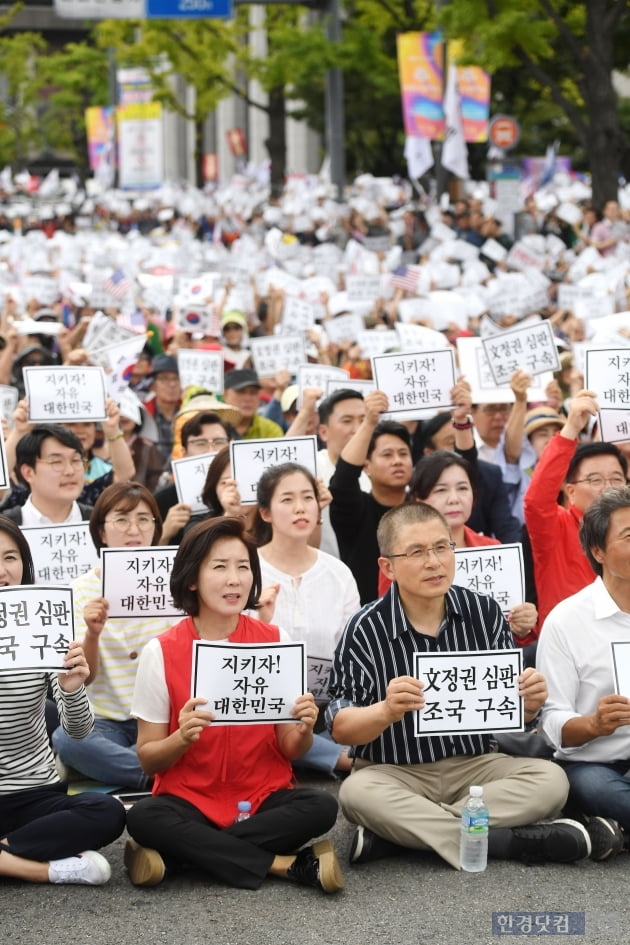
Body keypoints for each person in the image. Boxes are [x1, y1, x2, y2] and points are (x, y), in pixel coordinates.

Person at [326, 502, 617, 870]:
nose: (434, 562)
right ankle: (508, 841)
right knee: (356, 793)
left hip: (477, 767)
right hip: (394, 770)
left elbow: (513, 714)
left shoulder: (485, 612)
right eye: (416, 552)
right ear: (388, 566)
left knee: (551, 780)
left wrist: (527, 703)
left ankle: (400, 835)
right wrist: (385, 711)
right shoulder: (364, 628)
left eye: (442, 547)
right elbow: (339, 726)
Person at [124, 517, 344, 893]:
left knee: (321, 807)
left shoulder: (275, 639)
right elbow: (148, 758)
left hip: (262, 797)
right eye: (220, 567)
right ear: (192, 578)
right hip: (188, 799)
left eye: (243, 567)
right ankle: (287, 865)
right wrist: (181, 737)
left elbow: (292, 748)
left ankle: (179, 858)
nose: (234, 579)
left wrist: (305, 729)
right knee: (144, 817)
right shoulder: (160, 651)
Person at [0, 515, 125, 884]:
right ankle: (41, 868)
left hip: (34, 795)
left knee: (107, 811)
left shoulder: (43, 624)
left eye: (10, 558)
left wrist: (72, 687)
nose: (2, 570)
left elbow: (78, 730)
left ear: (25, 564)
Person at [52, 482, 172, 790]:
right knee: (67, 739)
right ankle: (156, 775)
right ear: (102, 531)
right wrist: (92, 635)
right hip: (106, 721)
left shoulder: (175, 582)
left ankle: (135, 766)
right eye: (121, 519)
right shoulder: (78, 591)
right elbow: (85, 677)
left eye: (144, 519)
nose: (134, 529)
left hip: (165, 716)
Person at [536, 487, 630, 850]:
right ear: (598, 551)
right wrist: (594, 724)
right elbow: (552, 723)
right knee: (592, 786)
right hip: (596, 763)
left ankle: (612, 829)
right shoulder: (567, 621)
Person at [256, 463, 359, 775]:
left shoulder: (338, 573)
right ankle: (346, 760)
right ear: (266, 512)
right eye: (287, 500)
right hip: (269, 709)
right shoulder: (246, 570)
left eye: (307, 498)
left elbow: (352, 652)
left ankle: (318, 752)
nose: (300, 508)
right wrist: (261, 620)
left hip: (328, 707)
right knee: (268, 732)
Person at [524, 390, 627, 624]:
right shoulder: (555, 527)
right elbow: (536, 501)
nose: (607, 488)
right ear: (570, 491)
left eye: (616, 479)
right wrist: (571, 428)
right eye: (594, 480)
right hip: (566, 643)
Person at [329, 390, 412, 604]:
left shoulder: (423, 508)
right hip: (367, 622)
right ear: (366, 466)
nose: (397, 461)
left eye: (403, 454)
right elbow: (342, 481)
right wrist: (369, 423)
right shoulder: (355, 511)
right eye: (387, 454)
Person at [2, 425, 92, 525]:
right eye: (56, 462)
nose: (70, 471)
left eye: (76, 460)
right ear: (28, 472)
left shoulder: (100, 522)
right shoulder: (5, 529)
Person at [222, 368, 284, 440]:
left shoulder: (270, 429)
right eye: (241, 392)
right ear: (225, 394)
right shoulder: (212, 427)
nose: (248, 398)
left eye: (253, 392)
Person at [144, 354, 182, 461]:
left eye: (176, 378)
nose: (172, 384)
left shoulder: (188, 412)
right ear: (153, 385)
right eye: (164, 379)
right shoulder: (143, 413)